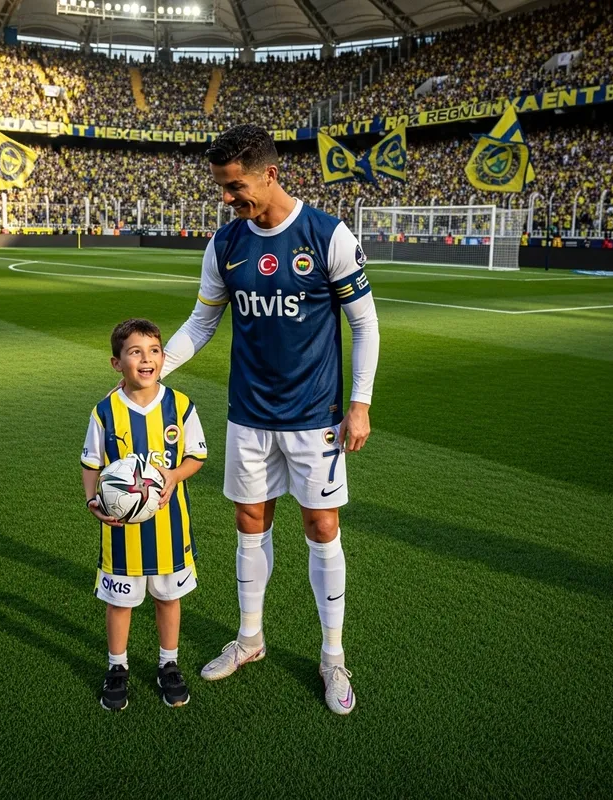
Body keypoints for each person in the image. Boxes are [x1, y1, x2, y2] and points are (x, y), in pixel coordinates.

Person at [160, 125, 380, 715]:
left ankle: (332, 655)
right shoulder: (225, 243)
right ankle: (250, 638)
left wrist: (359, 403)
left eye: (236, 187)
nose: (229, 199)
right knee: (250, 521)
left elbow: (365, 324)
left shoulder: (327, 234)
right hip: (249, 415)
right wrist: (157, 368)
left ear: (270, 173)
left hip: (315, 416)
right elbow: (202, 323)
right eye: (223, 190)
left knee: (321, 528)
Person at [81, 318, 208, 712]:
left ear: (162, 358)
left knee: (168, 599)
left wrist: (174, 474)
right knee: (120, 603)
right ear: (117, 363)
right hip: (121, 533)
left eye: (153, 351)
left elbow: (196, 456)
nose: (146, 359)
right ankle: (117, 667)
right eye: (134, 352)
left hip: (170, 528)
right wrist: (92, 501)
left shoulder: (181, 405)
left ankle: (168, 662)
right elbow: (90, 463)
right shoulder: (104, 412)